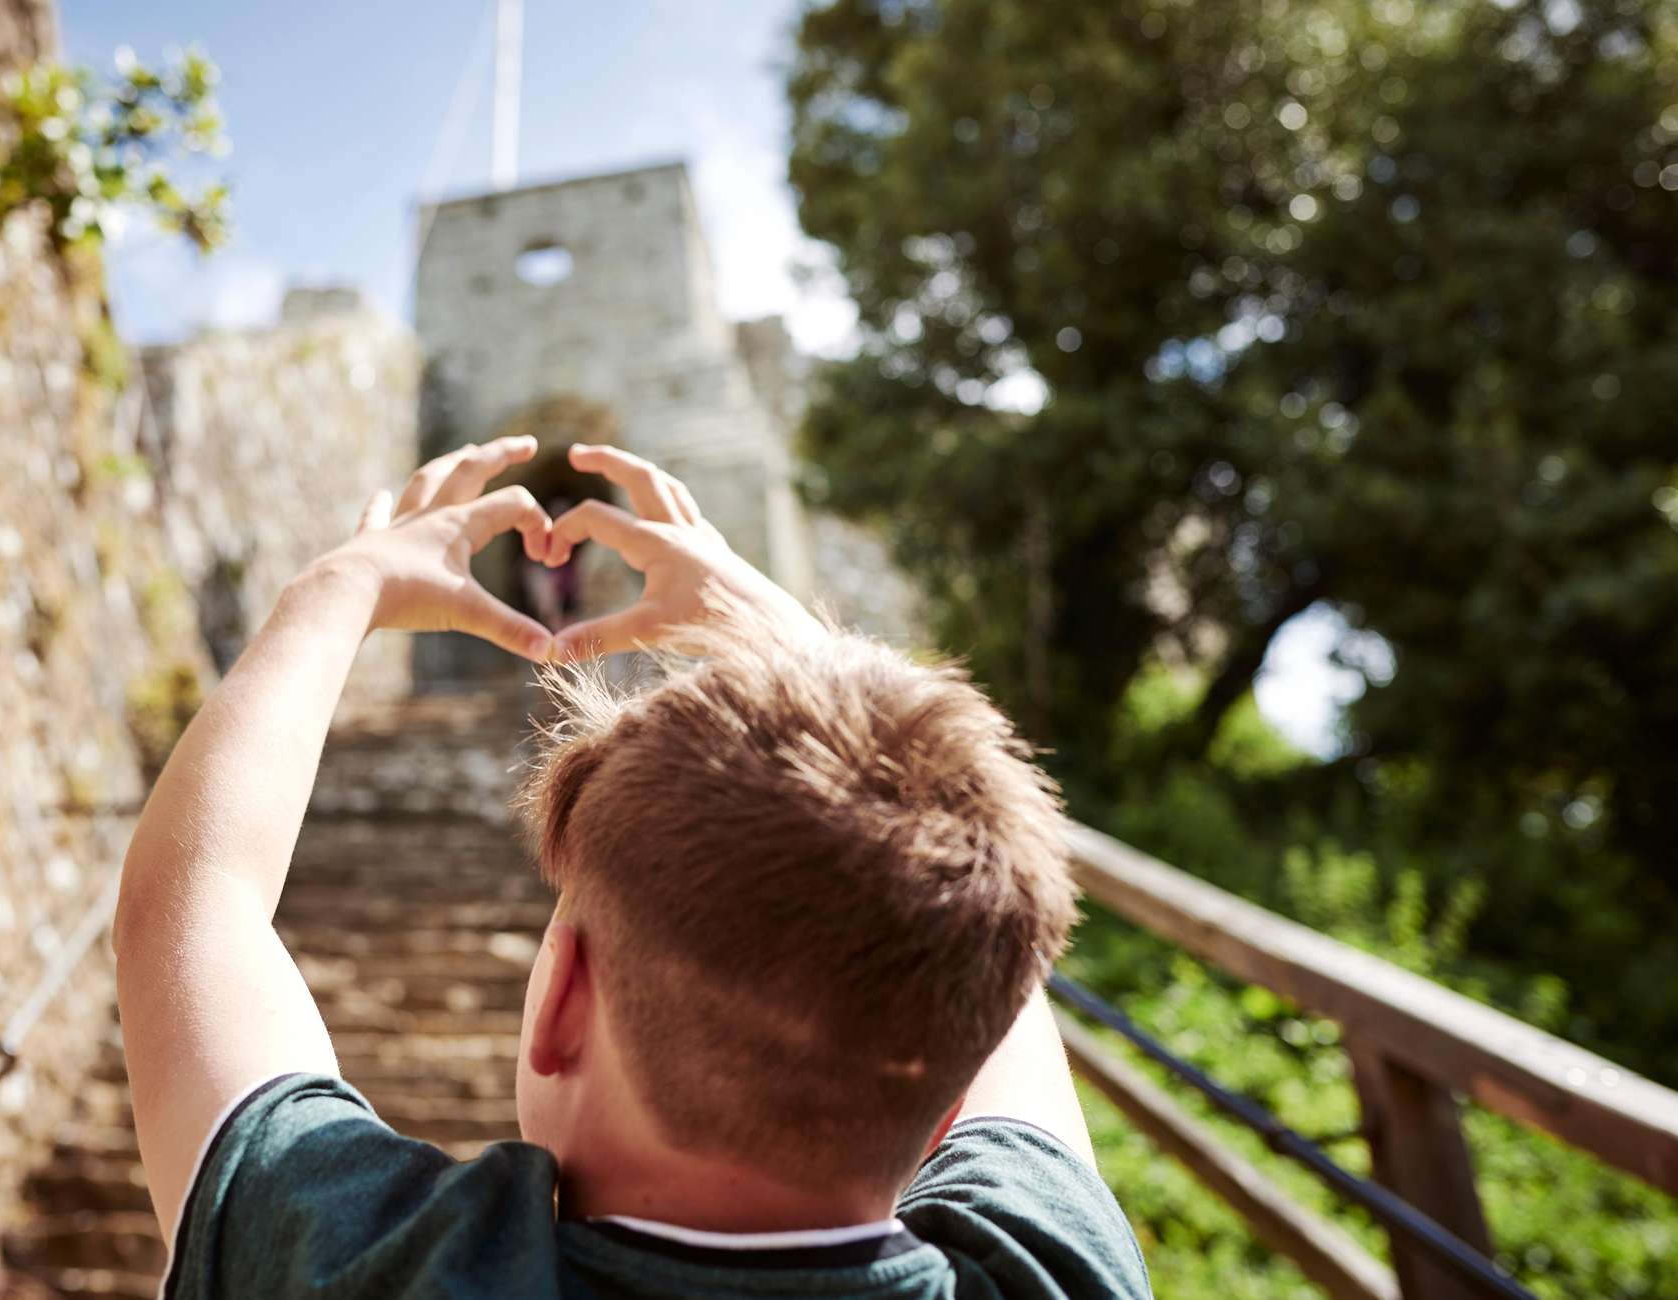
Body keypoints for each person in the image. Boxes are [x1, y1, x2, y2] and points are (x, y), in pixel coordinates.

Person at [113, 435, 1152, 1299]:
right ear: (947, 1084)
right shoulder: (1048, 1272)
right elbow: (976, 949)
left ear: (563, 996)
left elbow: (195, 908)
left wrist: (337, 588)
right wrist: (800, 654)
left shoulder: (372, 1264)